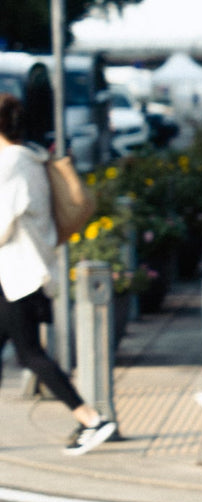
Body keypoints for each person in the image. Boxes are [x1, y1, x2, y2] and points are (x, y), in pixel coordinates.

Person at [0, 92, 117, 455]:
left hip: (22, 275)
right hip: (14, 275)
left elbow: (2, 224)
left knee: (30, 354)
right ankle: (91, 420)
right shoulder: (28, 158)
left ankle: (92, 420)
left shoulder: (13, 163)